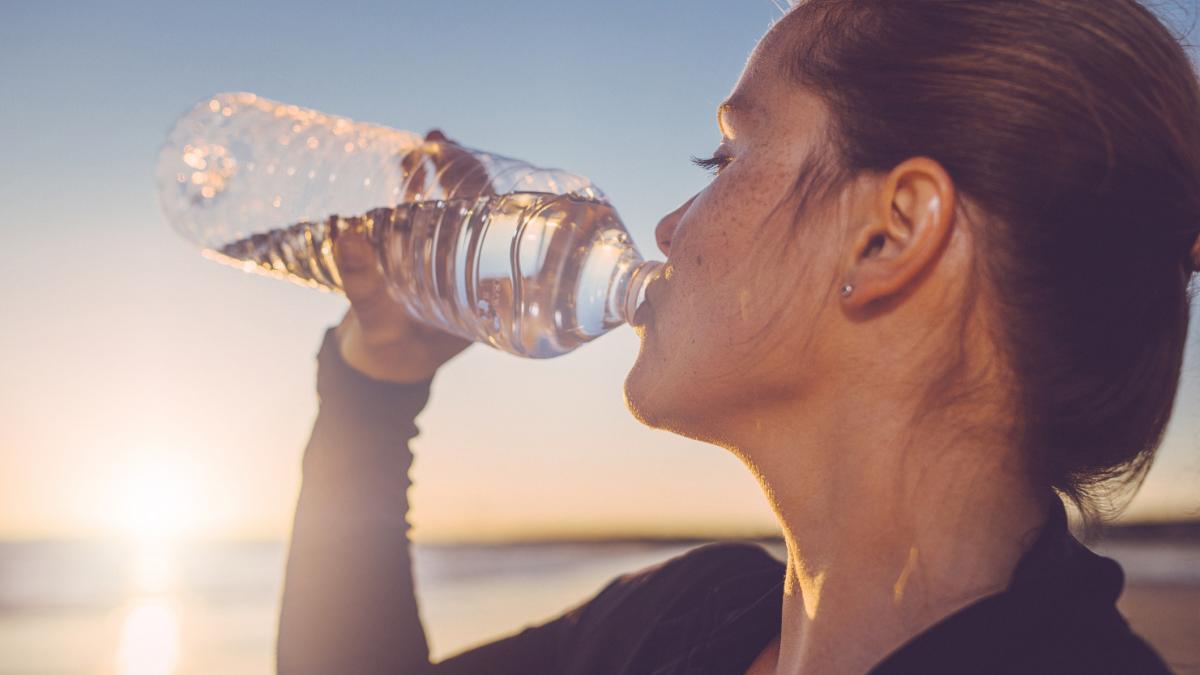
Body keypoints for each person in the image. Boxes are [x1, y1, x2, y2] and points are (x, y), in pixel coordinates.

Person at [276, 1, 1200, 673]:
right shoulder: (686, 621)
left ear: (890, 234)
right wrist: (374, 387)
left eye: (724, 157)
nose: (670, 225)